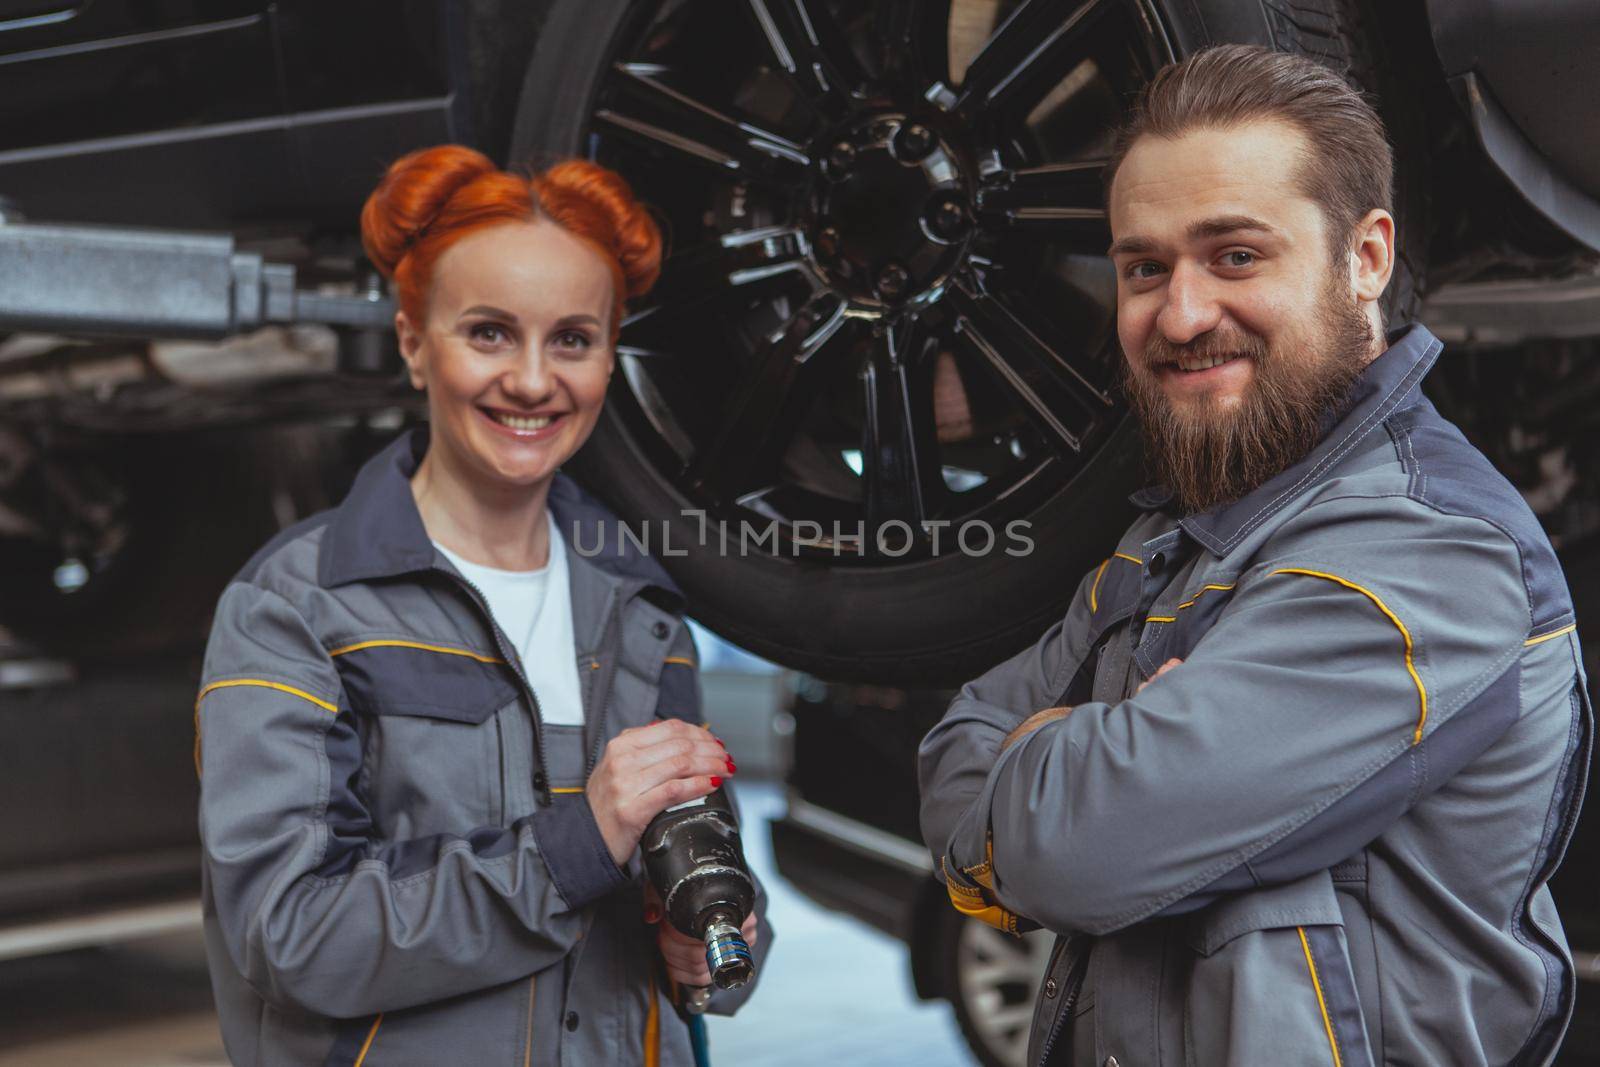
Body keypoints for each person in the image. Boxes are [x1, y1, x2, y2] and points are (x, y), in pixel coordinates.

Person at [919, 45, 1589, 1067]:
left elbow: (1073, 851)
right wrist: (1089, 754)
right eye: (1144, 266)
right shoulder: (1179, 533)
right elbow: (954, 743)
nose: (1179, 315)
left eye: (1234, 255)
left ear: (1364, 258)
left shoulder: (1422, 551)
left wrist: (1051, 756)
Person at [195, 145, 768, 1066]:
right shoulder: (296, 608)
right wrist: (576, 846)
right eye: (490, 332)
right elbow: (289, 934)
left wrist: (709, 944)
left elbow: (710, 870)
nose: (535, 381)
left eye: (573, 339)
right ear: (414, 341)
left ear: (609, 357)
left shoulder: (642, 604)